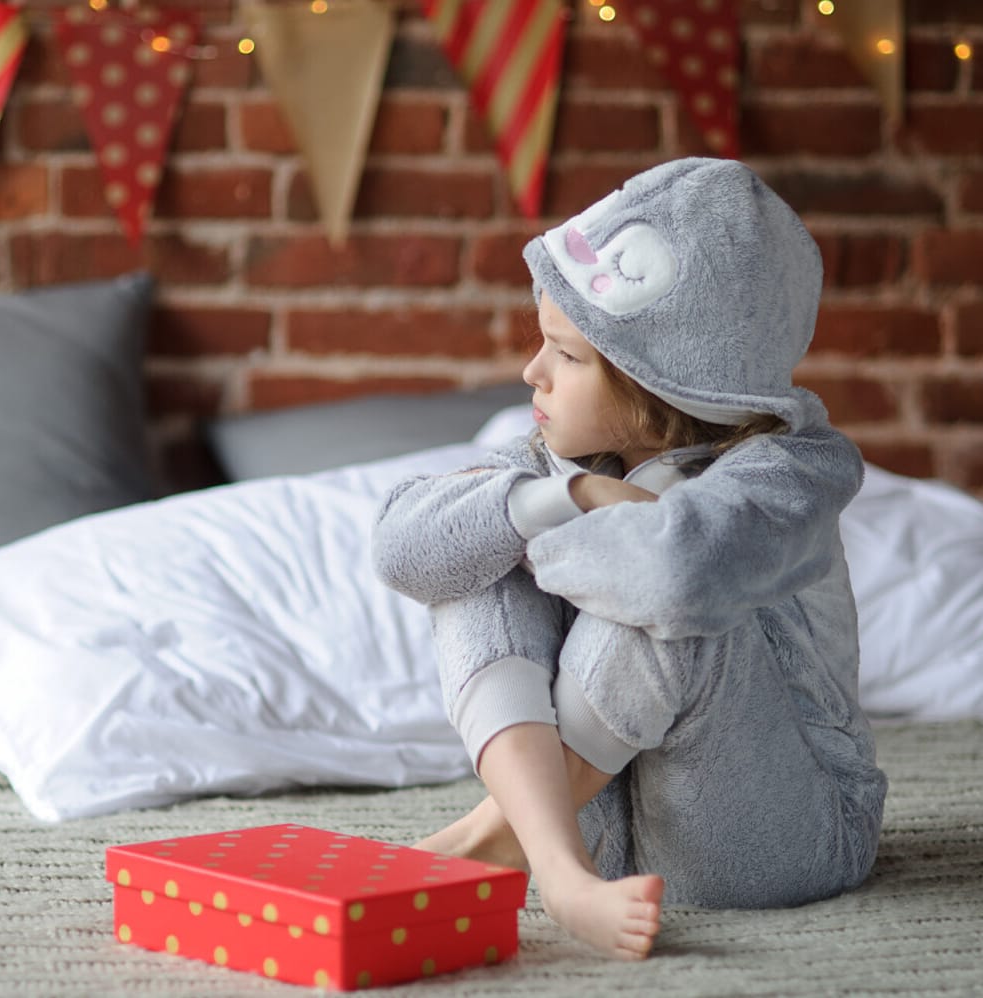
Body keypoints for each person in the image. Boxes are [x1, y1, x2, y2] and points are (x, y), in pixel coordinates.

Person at [371, 158, 888, 960]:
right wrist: (571, 500)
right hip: (600, 838)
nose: (529, 373)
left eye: (567, 357)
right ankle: (554, 863)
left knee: (677, 597)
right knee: (474, 544)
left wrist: (537, 535)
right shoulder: (570, 458)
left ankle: (491, 842)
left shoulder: (793, 473)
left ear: (666, 383)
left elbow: (678, 574)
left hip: (775, 836)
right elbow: (403, 547)